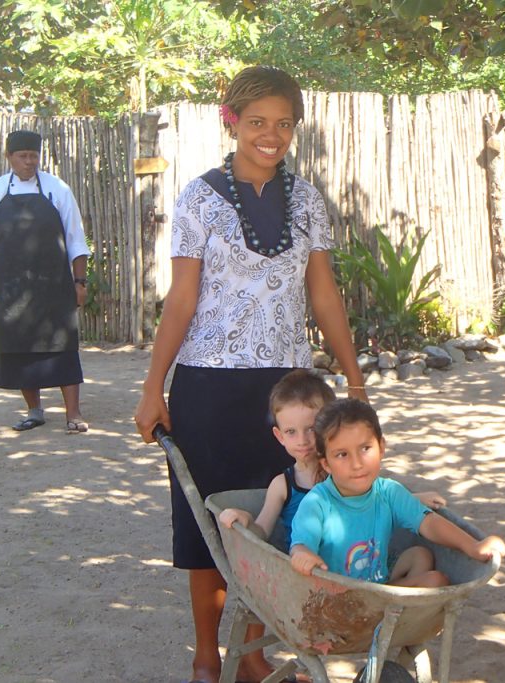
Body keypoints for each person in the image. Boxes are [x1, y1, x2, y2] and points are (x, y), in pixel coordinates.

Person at [133, 66, 366, 683]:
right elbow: (181, 300)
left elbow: (324, 294)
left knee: (283, 519)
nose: (272, 135)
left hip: (289, 393)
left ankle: (254, 655)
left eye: (284, 123)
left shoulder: (308, 200)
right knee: (207, 522)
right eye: (257, 121)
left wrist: (354, 380)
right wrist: (154, 385)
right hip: (208, 385)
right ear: (231, 121)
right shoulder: (199, 198)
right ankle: (210, 656)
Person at [290, 399, 505, 587]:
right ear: (326, 464)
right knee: (435, 581)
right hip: (336, 597)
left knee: (421, 555)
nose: (357, 464)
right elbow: (300, 545)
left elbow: (429, 523)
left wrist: (473, 546)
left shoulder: (387, 491)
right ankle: (390, 607)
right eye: (342, 454)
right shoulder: (317, 503)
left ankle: (389, 602)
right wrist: (301, 554)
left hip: (378, 585)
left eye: (365, 449)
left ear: (381, 447)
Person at [218, 370, 446, 547]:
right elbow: (263, 533)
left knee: (420, 556)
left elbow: (377, 497)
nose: (303, 440)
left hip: (360, 560)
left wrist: (412, 498)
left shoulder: (342, 470)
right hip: (309, 571)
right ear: (279, 436)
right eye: (291, 432)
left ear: (329, 425)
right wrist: (246, 519)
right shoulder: (283, 485)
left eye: (311, 428)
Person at [0, 129, 90, 433]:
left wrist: (80, 281)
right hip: (11, 288)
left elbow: (76, 239)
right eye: (23, 156)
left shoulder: (57, 189)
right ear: (9, 157)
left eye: (34, 156)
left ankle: (73, 414)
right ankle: (34, 411)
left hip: (54, 285)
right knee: (19, 349)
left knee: (63, 349)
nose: (29, 162)